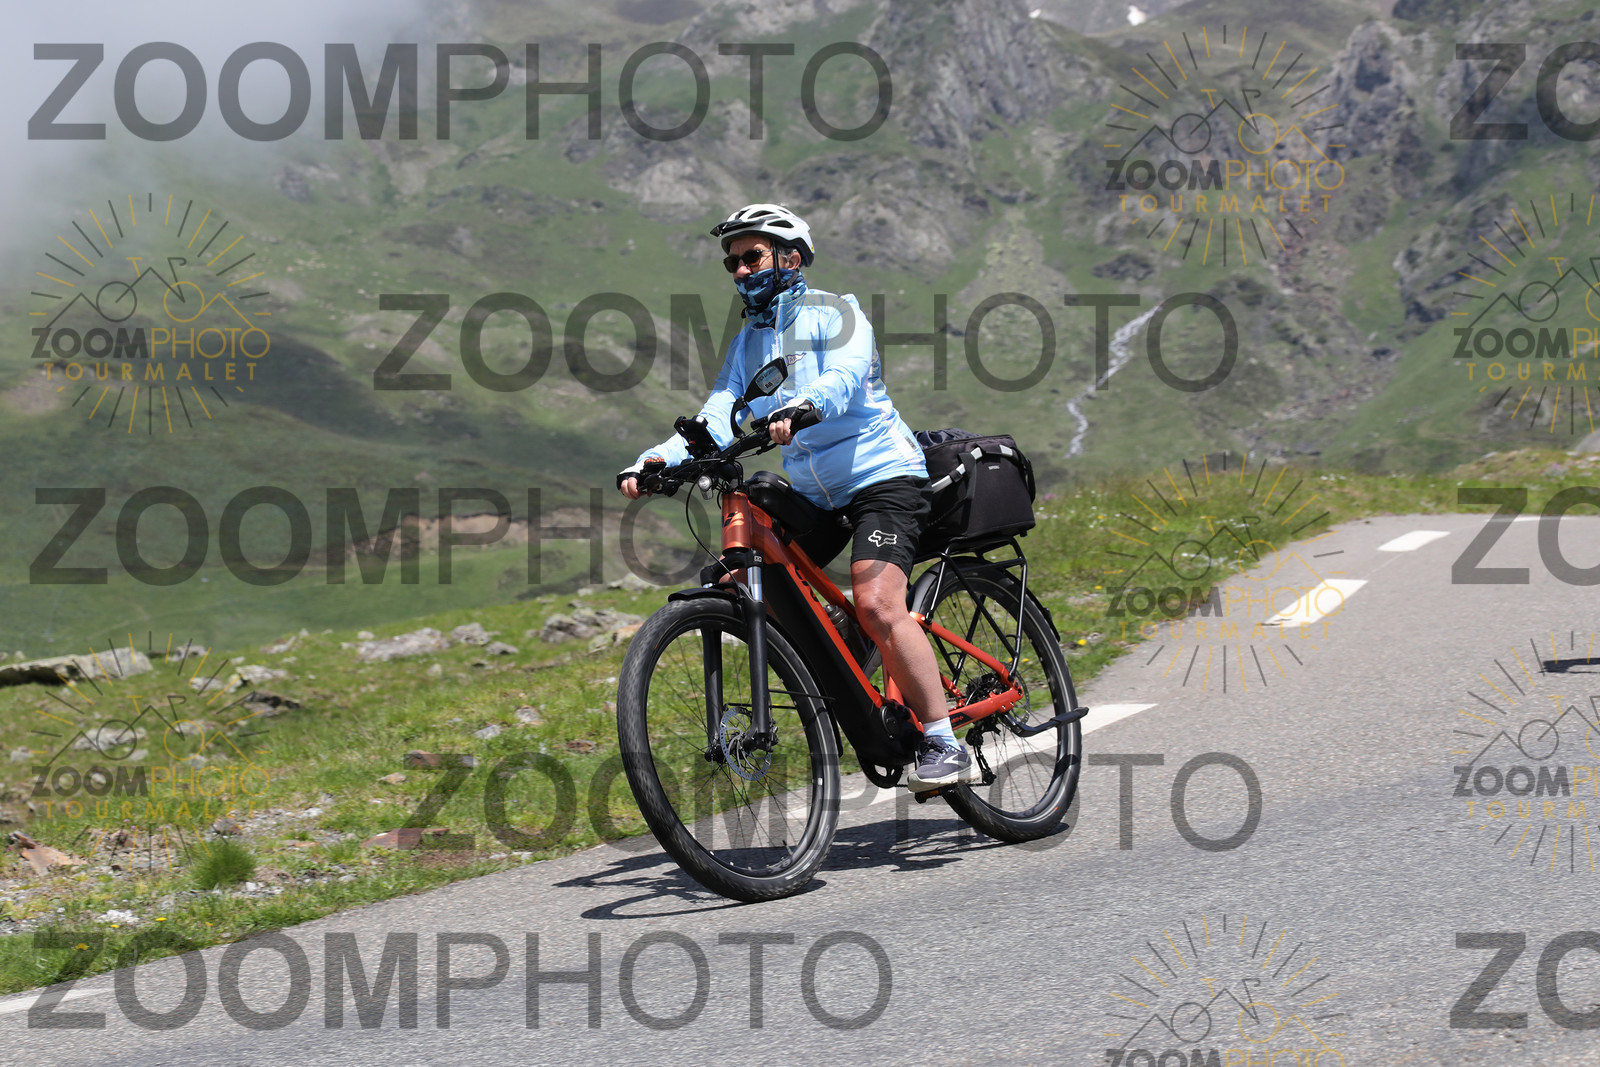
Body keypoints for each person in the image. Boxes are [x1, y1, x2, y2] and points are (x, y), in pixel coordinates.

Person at [617, 203, 979, 791]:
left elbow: (845, 376)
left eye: (751, 256)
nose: (740, 270)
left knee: (878, 602)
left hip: (882, 476)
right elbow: (717, 417)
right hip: (817, 494)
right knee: (742, 576)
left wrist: (805, 405)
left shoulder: (837, 313)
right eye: (732, 262)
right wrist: (656, 461)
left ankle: (943, 740)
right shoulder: (748, 343)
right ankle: (847, 651)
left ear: (790, 257)